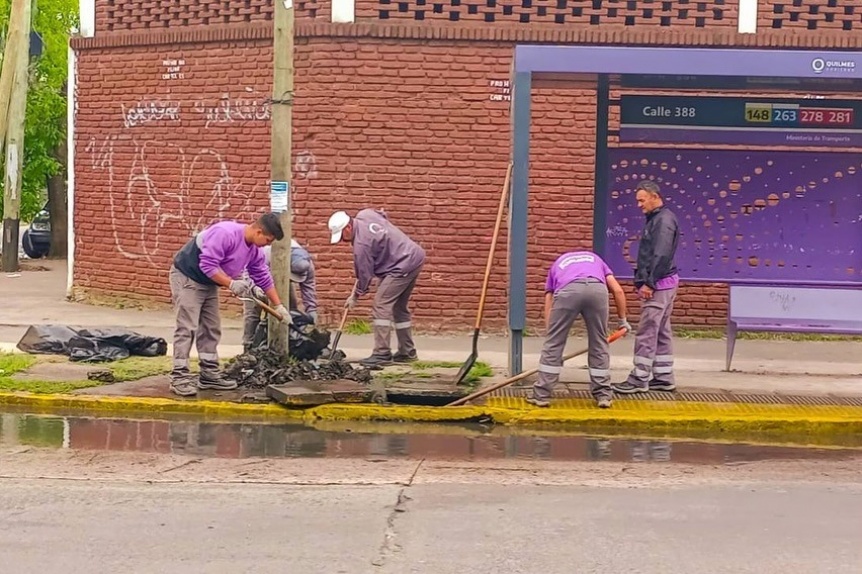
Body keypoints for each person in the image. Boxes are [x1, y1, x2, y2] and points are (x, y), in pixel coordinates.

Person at [169, 213, 290, 397]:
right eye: (267, 240)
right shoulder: (225, 233)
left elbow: (263, 277)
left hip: (208, 282)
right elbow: (207, 265)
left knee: (211, 328)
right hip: (188, 276)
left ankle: (208, 374)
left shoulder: (254, 250)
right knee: (188, 327)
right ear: (258, 231)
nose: (267, 245)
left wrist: (278, 305)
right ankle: (179, 377)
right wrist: (231, 283)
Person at [526, 250, 631, 409]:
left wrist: (551, 332)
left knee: (554, 344)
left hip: (568, 290)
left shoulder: (558, 264)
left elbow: (549, 297)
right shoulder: (597, 260)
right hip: (597, 290)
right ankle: (603, 395)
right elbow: (617, 290)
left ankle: (541, 395)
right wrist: (623, 320)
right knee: (599, 343)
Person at [328, 208, 426, 368]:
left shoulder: (361, 245)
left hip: (401, 265)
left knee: (381, 305)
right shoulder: (365, 214)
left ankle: (382, 353)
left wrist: (355, 296)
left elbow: (365, 276)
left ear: (348, 228)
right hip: (414, 256)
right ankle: (407, 352)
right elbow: (382, 215)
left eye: (341, 236)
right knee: (399, 308)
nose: (341, 241)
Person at [613, 180, 681, 395]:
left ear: (655, 196)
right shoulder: (662, 219)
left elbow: (660, 254)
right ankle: (663, 376)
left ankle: (639, 378)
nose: (639, 205)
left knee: (647, 331)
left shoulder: (662, 221)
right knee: (661, 331)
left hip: (658, 284)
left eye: (642, 200)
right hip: (666, 282)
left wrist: (649, 283)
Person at [241, 239, 319, 352]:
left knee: (290, 309)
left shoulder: (307, 264)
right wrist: (255, 288)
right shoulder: (266, 254)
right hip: (257, 279)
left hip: (283, 281)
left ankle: (288, 343)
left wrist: (312, 311)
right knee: (253, 312)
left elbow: (308, 290)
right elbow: (248, 272)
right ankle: (248, 347)